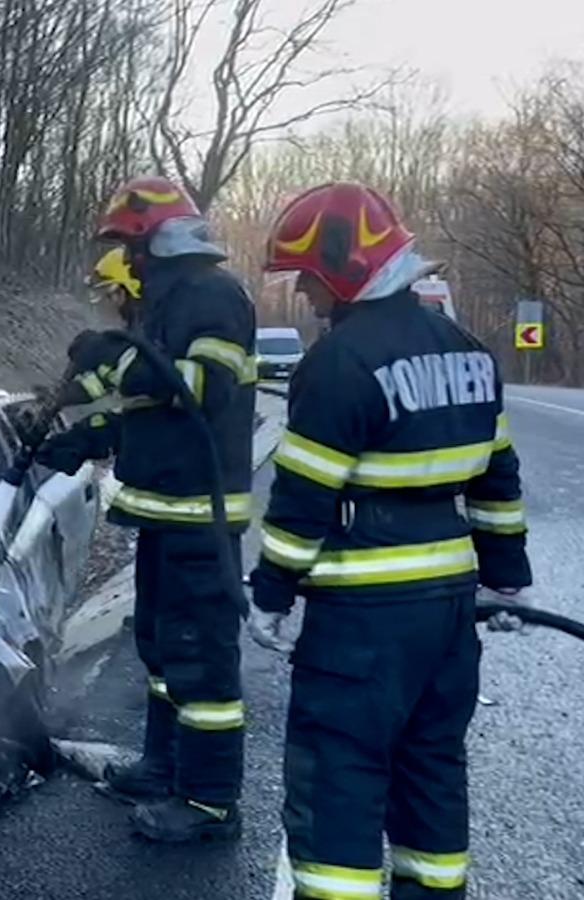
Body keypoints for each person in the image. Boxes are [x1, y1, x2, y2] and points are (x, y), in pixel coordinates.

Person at [248, 182, 533, 899]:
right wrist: (507, 578)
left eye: (310, 278)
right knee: (433, 769)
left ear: (343, 264)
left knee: (339, 775)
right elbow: (498, 478)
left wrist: (270, 593)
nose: (308, 295)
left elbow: (304, 499)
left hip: (361, 620)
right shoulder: (467, 351)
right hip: (446, 613)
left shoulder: (339, 363)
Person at [36, 175, 258, 842]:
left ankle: (210, 802)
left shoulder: (211, 296)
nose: (127, 263)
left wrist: (119, 356)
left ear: (156, 240)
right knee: (163, 651)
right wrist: (86, 438)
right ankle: (163, 768)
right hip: (165, 514)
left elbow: (200, 391)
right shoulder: (168, 302)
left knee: (201, 661)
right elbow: (152, 411)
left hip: (200, 515)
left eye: (130, 248)